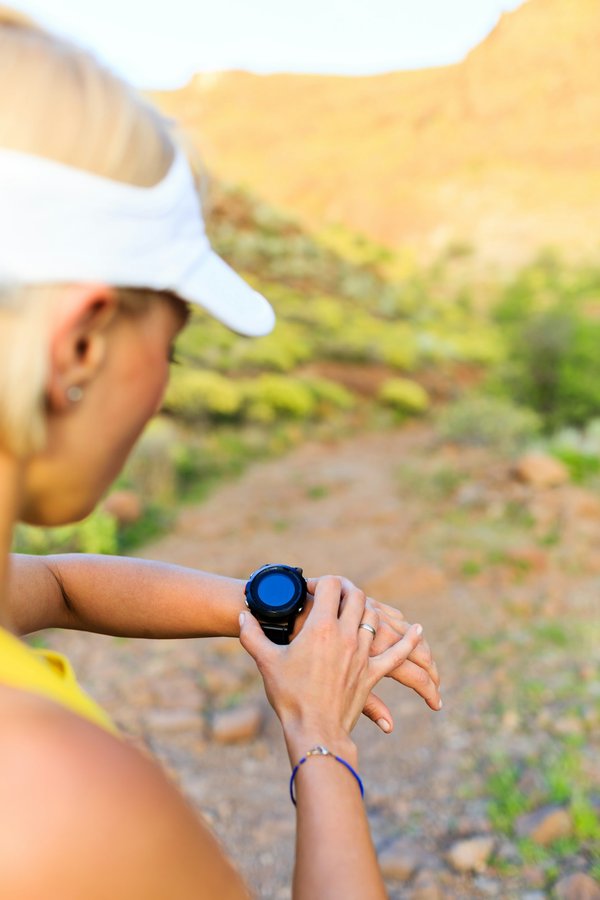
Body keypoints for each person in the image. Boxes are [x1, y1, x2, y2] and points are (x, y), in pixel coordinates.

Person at [0, 11, 442, 898]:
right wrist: (320, 735)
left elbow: (54, 584)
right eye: (172, 344)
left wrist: (275, 609)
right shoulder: (53, 806)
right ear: (79, 345)